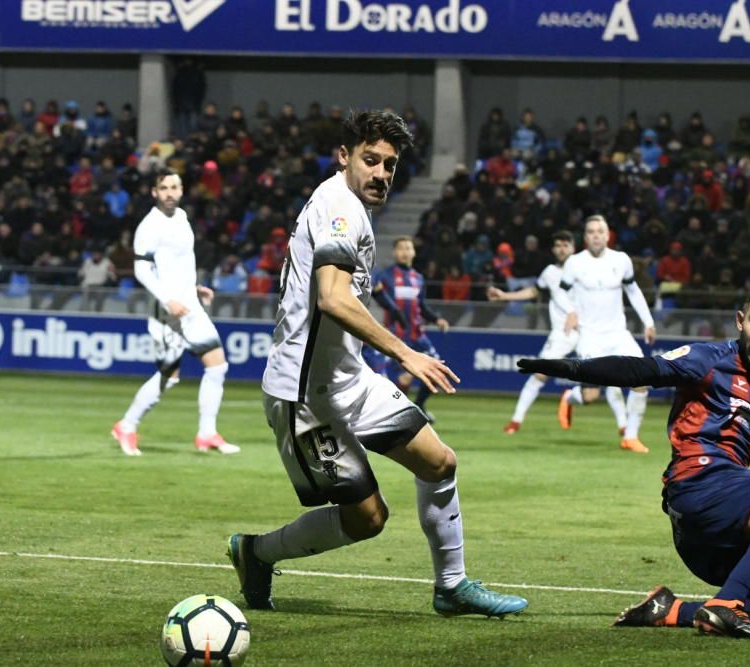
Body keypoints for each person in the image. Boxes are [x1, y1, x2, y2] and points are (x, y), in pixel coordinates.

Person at [227, 110, 527, 618]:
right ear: (343, 157)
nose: (382, 174)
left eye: (389, 165)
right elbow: (333, 299)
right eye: (371, 160)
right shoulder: (340, 208)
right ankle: (256, 553)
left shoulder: (349, 208)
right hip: (304, 396)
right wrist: (407, 352)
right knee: (368, 518)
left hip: (349, 378)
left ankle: (451, 587)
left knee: (440, 462)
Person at [517, 279, 750, 639]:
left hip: (715, 533)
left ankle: (672, 609)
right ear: (740, 320)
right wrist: (567, 368)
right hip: (698, 484)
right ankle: (726, 604)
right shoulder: (707, 360)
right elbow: (639, 370)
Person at [111, 169, 239, 456]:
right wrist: (168, 300)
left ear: (181, 191)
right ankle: (127, 425)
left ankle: (207, 434)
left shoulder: (181, 217)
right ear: (154, 192)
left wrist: (194, 288)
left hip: (189, 305)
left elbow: (176, 263)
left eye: (174, 187)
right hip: (168, 312)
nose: (170, 192)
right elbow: (141, 269)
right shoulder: (149, 226)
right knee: (169, 376)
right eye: (164, 188)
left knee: (217, 366)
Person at [556, 215, 656, 453]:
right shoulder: (574, 263)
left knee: (643, 379)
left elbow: (633, 290)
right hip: (590, 336)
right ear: (585, 236)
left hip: (618, 334)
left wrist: (648, 321)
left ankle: (630, 437)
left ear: (608, 234)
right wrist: (570, 311)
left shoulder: (621, 260)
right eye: (591, 231)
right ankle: (571, 397)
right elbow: (560, 293)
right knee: (591, 395)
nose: (596, 235)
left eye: (600, 231)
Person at [487, 231, 576, 434]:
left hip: (589, 330)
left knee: (603, 380)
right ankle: (516, 420)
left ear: (573, 248)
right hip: (563, 332)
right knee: (539, 374)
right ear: (554, 249)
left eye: (566, 245)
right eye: (558, 245)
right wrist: (504, 296)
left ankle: (625, 429)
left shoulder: (586, 269)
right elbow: (534, 291)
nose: (562, 249)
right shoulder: (550, 272)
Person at [369, 236, 450, 422]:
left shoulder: (418, 279)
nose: (405, 251)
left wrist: (437, 319)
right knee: (394, 378)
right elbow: (376, 293)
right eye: (401, 248)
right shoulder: (385, 275)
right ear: (395, 253)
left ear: (413, 252)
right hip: (394, 334)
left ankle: (420, 405)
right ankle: (393, 412)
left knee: (438, 370)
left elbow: (422, 306)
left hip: (417, 335)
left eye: (408, 248)